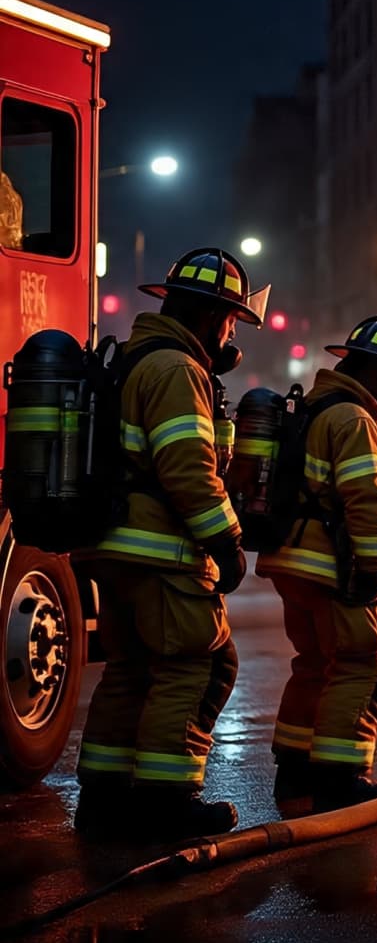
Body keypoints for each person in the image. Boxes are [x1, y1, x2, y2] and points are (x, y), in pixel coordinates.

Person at [74, 247, 268, 840]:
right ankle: (167, 800)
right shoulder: (177, 370)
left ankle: (104, 802)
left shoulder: (139, 358)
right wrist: (227, 541)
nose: (233, 332)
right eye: (231, 319)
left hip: (117, 549)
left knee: (131, 670)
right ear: (211, 316)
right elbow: (187, 467)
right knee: (198, 665)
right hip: (162, 552)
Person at [256, 315, 377, 812]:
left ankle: (295, 779)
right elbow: (368, 499)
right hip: (331, 567)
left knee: (314, 666)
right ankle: (340, 779)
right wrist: (373, 574)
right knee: (368, 664)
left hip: (292, 561)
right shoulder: (354, 419)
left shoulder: (313, 408)